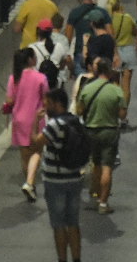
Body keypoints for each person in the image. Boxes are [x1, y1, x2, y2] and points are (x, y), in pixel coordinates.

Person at [36, 87, 86, 262]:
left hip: (55, 181)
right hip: (74, 177)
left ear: (57, 104)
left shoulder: (54, 125)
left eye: (48, 103)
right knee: (73, 222)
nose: (45, 106)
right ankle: (77, 258)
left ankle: (62, 259)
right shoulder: (75, 121)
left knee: (58, 225)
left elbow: (36, 144)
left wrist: (36, 122)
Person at [76, 59, 125, 213]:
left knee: (95, 164)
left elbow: (79, 110)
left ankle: (96, 194)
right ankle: (103, 203)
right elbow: (122, 115)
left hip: (90, 130)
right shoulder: (116, 90)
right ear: (109, 72)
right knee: (107, 167)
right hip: (109, 131)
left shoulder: (88, 88)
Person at [6, 45, 50, 202]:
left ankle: (29, 183)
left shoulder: (13, 78)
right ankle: (30, 182)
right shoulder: (41, 78)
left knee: (24, 156)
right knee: (37, 151)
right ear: (31, 59)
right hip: (35, 119)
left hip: (19, 120)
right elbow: (46, 100)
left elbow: (9, 100)